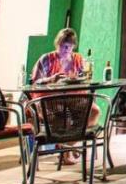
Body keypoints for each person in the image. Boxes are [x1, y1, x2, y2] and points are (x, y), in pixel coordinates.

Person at [29, 28, 100, 165]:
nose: (66, 49)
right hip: (50, 99)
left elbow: (84, 78)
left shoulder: (78, 59)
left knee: (94, 111)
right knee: (62, 118)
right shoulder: (46, 59)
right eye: (63, 45)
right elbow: (34, 82)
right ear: (57, 44)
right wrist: (50, 79)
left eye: (70, 46)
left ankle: (67, 146)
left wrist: (78, 79)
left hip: (74, 97)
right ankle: (65, 153)